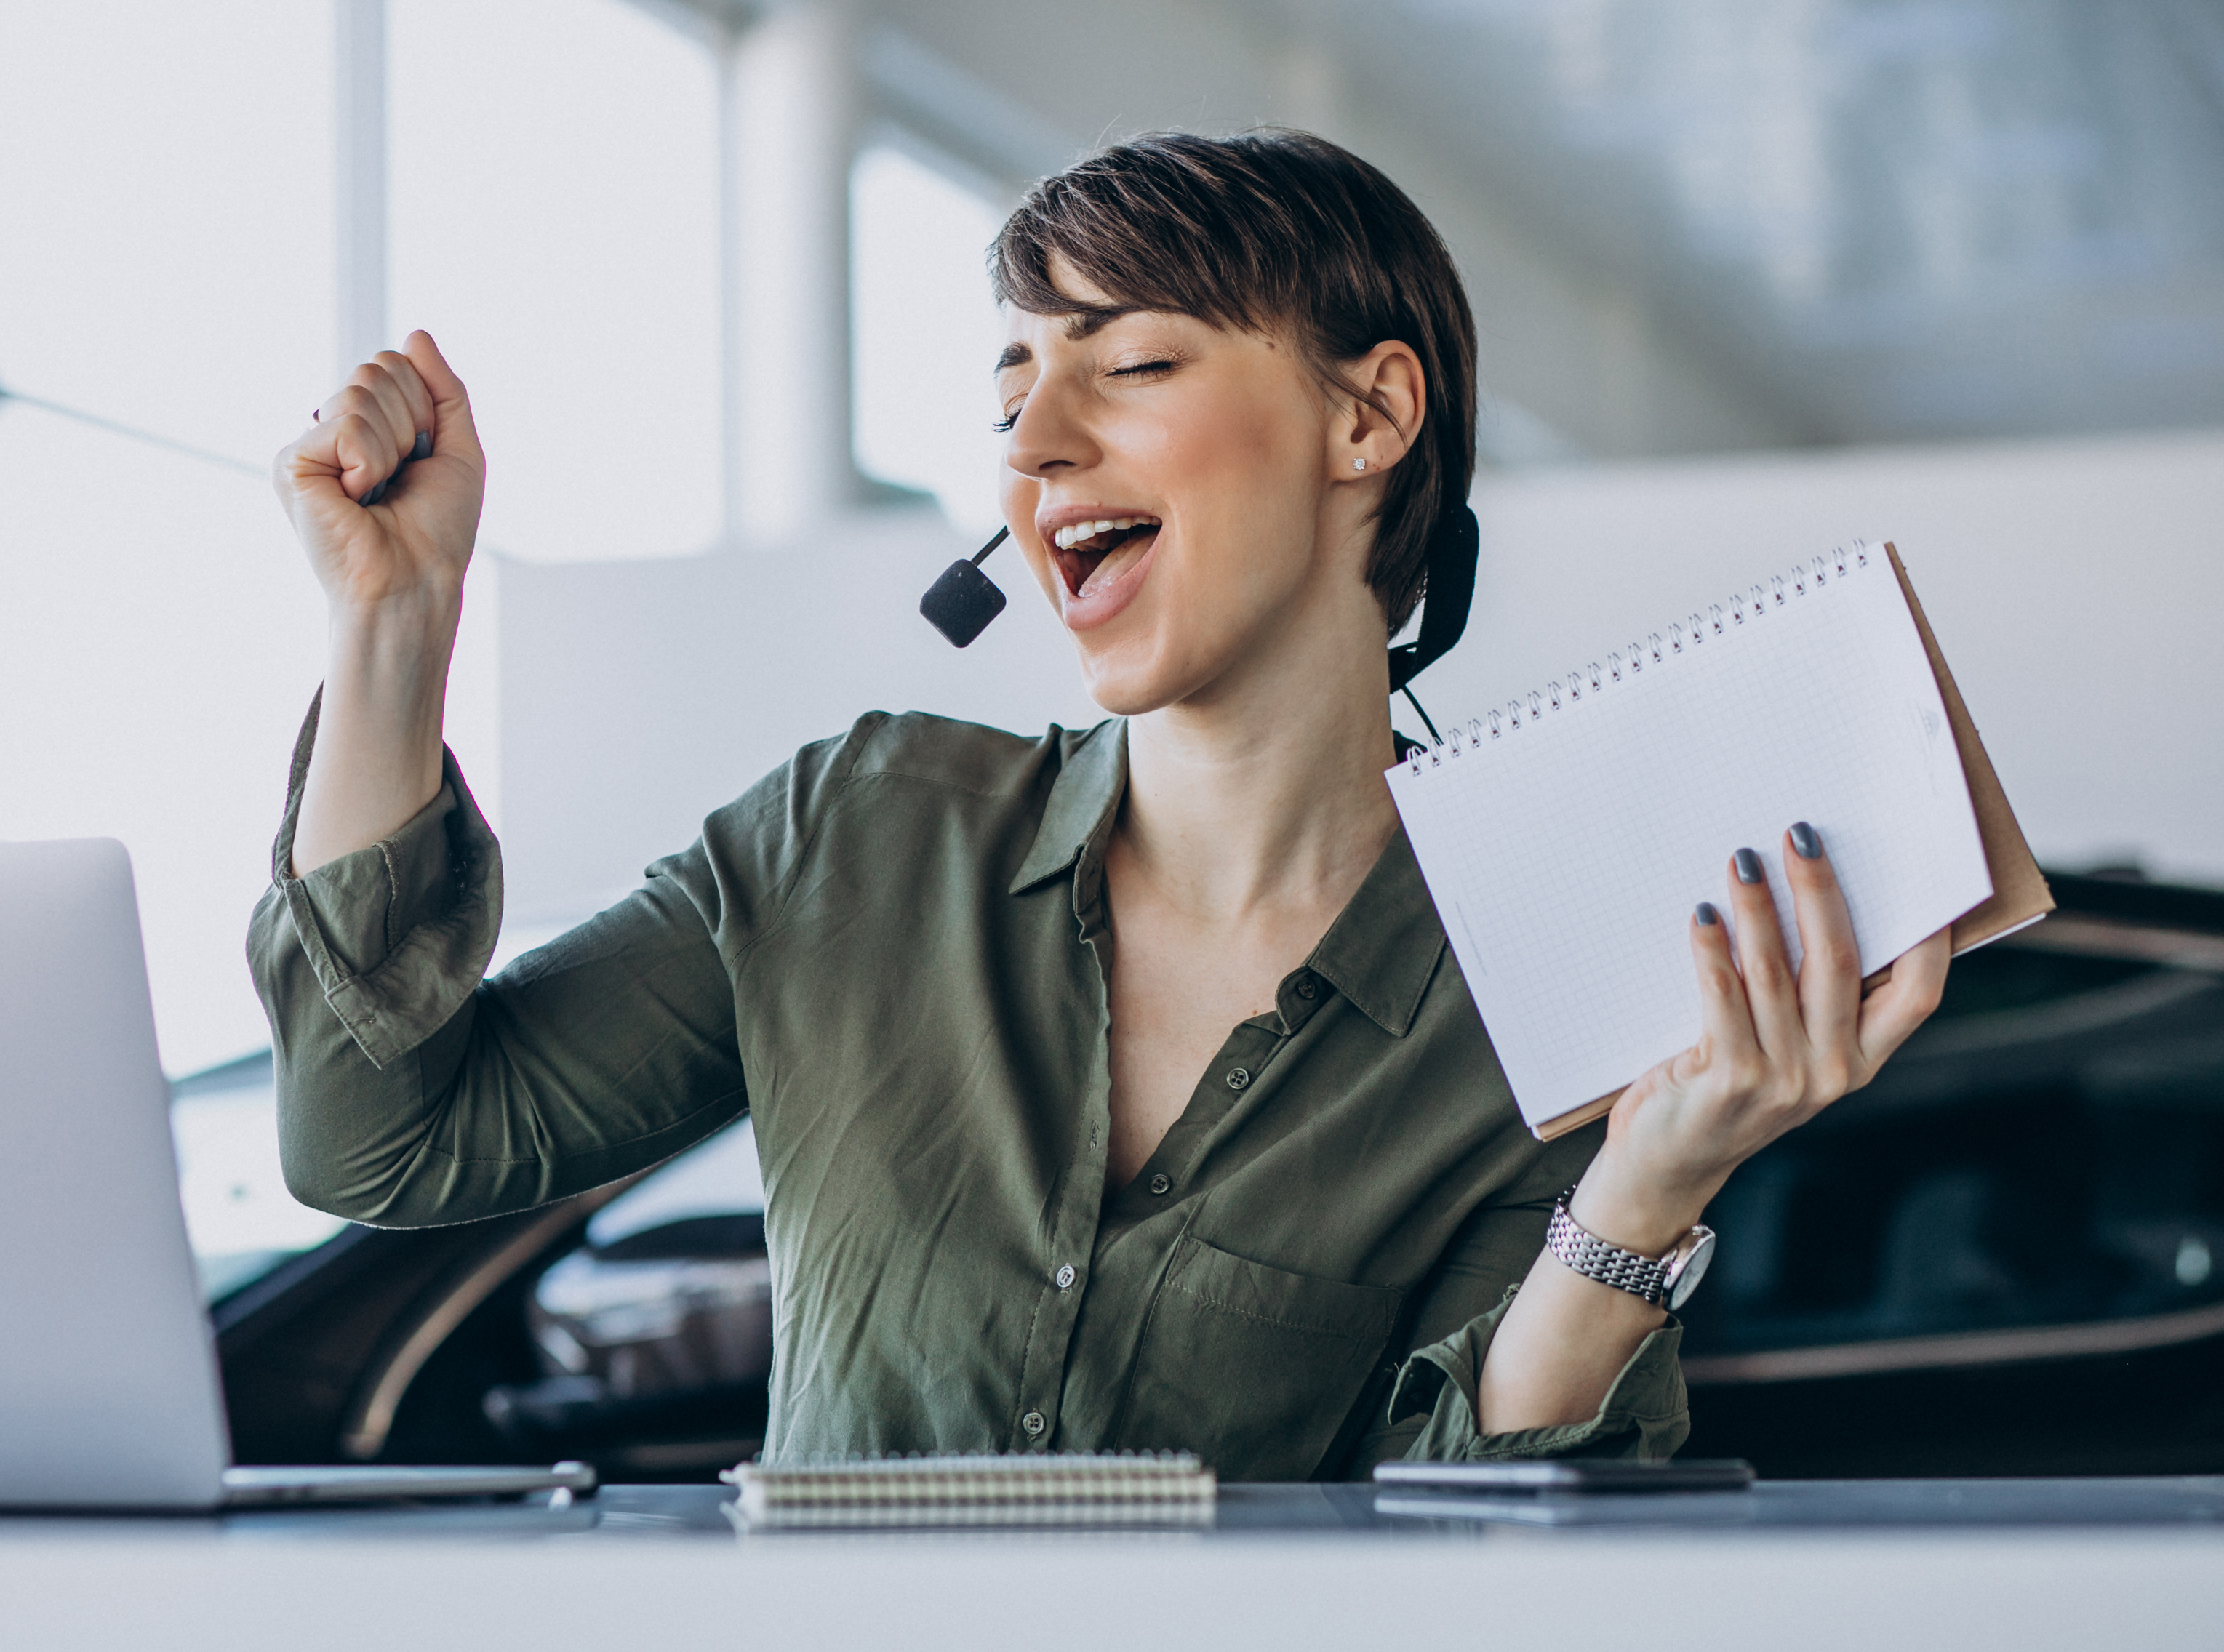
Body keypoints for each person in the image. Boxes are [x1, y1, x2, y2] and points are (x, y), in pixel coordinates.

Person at [249, 129, 1948, 1479]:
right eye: (1009, 398)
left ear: (1367, 413)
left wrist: (1637, 1204)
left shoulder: (1539, 972)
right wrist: (395, 620)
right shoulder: (853, 838)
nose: (1035, 445)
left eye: (1128, 364)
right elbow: (377, 1137)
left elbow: (1477, 1552)